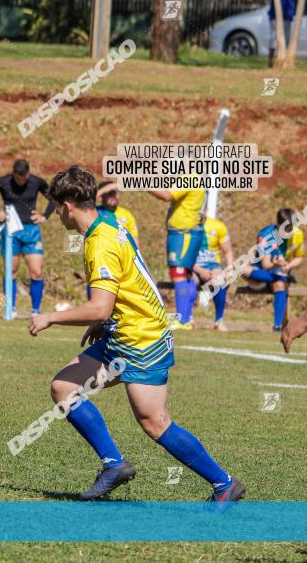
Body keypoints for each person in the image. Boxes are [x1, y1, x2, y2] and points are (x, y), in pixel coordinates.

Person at [29, 165, 244, 504]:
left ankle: (224, 483)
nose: (57, 214)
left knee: (155, 422)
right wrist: (107, 318)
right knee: (65, 387)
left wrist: (51, 317)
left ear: (67, 206)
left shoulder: (99, 242)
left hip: (143, 339)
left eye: (57, 207)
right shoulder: (111, 225)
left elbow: (99, 305)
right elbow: (130, 281)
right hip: (124, 332)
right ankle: (113, 464)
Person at [0, 159, 53, 317]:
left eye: (23, 178)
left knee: (36, 272)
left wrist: (44, 216)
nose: (20, 181)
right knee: (11, 271)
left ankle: (35, 311)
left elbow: (54, 198)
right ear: (13, 174)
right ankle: (11, 308)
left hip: (31, 231)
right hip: (11, 231)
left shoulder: (37, 182)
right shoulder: (3, 182)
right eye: (17, 178)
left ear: (28, 174)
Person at [146, 186, 206, 330]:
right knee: (186, 275)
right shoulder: (195, 177)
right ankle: (187, 318)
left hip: (182, 234)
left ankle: (182, 320)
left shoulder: (189, 177)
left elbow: (166, 196)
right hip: (189, 233)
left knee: (178, 274)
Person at [243, 208, 305, 331]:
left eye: (293, 227)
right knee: (241, 269)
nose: (291, 231)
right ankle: (278, 279)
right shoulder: (265, 235)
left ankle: (277, 326)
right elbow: (266, 264)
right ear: (278, 225)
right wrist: (277, 264)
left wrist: (289, 266)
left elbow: (299, 257)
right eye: (288, 228)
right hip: (262, 270)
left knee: (279, 284)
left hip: (281, 271)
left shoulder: (298, 233)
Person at [193, 216, 234, 331]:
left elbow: (228, 251)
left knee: (220, 279)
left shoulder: (217, 226)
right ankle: (187, 320)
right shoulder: (186, 225)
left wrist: (230, 270)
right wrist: (200, 271)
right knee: (190, 281)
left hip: (212, 266)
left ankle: (219, 321)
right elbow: (182, 255)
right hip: (192, 267)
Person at [96, 181, 139, 249]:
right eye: (109, 193)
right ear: (101, 197)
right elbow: (85, 203)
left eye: (115, 192)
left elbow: (134, 240)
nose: (113, 196)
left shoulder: (126, 214)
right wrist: (105, 189)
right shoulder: (96, 212)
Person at [268, 0, 296, 68]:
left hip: (287, 17)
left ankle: (283, 62)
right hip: (277, 17)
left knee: (286, 40)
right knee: (274, 40)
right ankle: (271, 62)